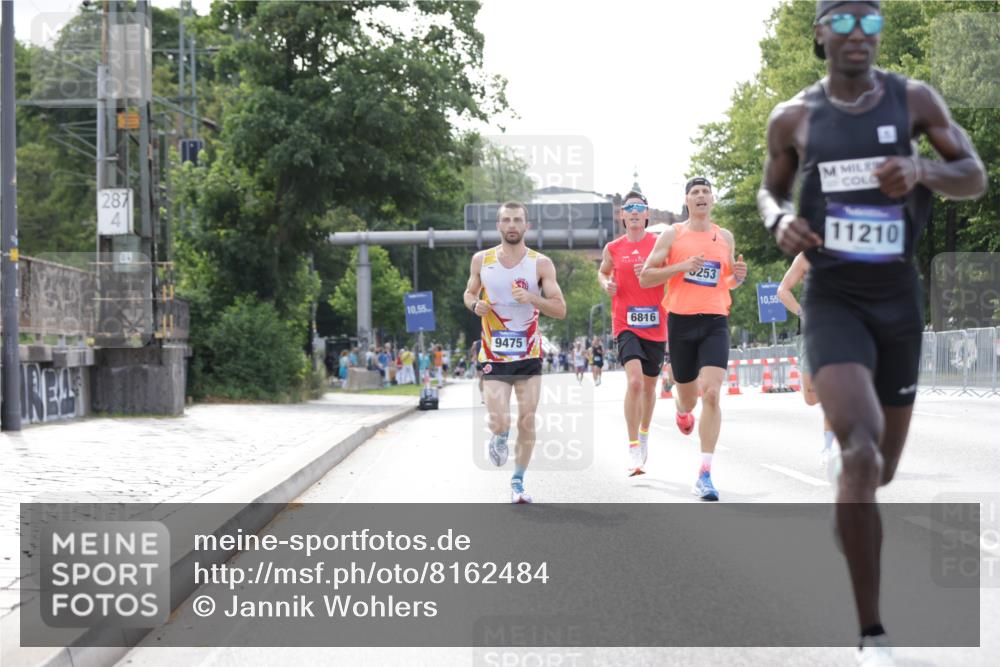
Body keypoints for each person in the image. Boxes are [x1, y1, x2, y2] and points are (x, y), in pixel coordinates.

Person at [758, 1, 987, 662]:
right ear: (820, 34)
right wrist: (777, 222)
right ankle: (872, 633)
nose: (860, 34)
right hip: (834, 297)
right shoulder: (794, 117)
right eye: (845, 21)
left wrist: (922, 170)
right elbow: (770, 190)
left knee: (878, 469)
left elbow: (973, 175)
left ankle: (847, 472)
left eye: (872, 21)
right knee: (860, 451)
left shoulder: (913, 100)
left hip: (897, 300)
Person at [640, 177, 748, 500]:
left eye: (705, 192)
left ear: (712, 200)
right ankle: (681, 409)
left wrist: (736, 278)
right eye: (694, 193)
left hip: (716, 321)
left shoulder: (724, 236)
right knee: (689, 398)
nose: (701, 197)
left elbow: (726, 280)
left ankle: (704, 474)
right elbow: (646, 276)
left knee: (712, 394)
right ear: (687, 201)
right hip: (681, 324)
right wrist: (681, 266)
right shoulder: (673, 234)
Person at [464, 200, 567, 503]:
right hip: (494, 354)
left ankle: (518, 482)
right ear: (498, 225)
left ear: (527, 226)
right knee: (500, 421)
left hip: (528, 354)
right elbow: (469, 293)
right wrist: (475, 305)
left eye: (517, 220)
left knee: (527, 419)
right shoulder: (481, 260)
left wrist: (534, 299)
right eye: (506, 220)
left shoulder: (541, 264)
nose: (512, 225)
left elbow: (560, 309)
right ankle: (498, 435)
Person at [599, 190, 667, 475]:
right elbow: (603, 272)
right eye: (630, 208)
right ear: (622, 215)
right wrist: (605, 284)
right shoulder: (613, 248)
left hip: (656, 323)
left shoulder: (659, 244)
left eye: (640, 208)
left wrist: (651, 272)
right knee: (636, 382)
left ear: (647, 215)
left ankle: (645, 432)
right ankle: (632, 446)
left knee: (650, 387)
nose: (636, 212)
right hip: (625, 323)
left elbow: (672, 274)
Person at [777, 252, 837, 469]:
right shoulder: (806, 258)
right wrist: (802, 312)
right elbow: (782, 291)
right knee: (810, 397)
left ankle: (829, 447)